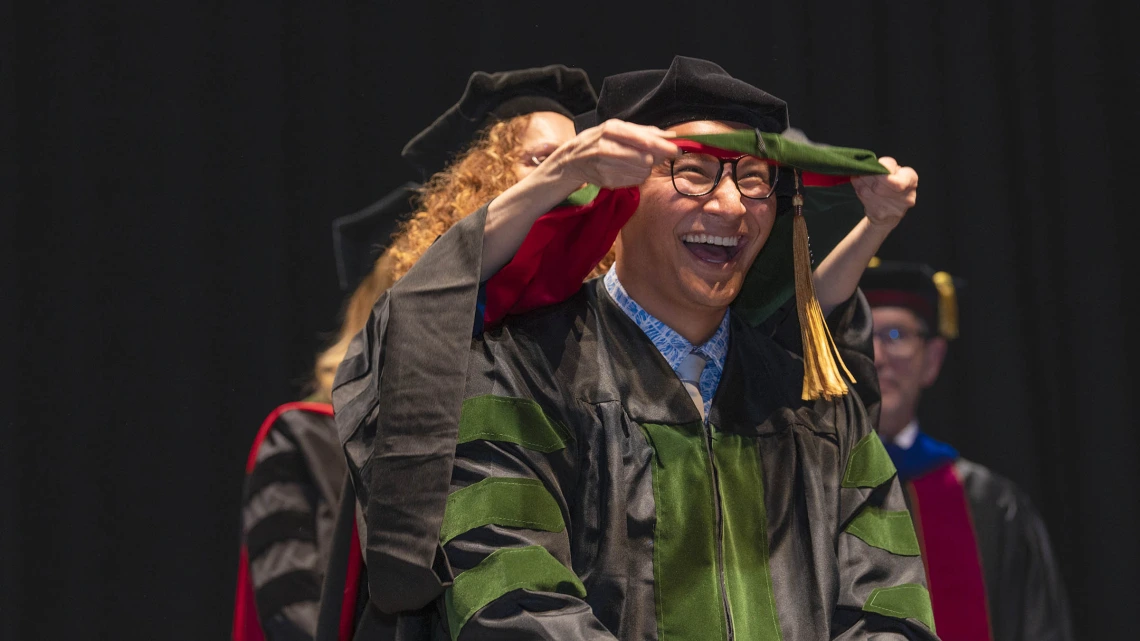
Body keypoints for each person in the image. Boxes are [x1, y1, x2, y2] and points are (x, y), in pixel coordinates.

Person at [334, 56, 935, 640]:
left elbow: (890, 605)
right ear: (617, 194)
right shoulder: (522, 374)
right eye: (693, 170)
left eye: (753, 178)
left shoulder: (815, 405)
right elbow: (511, 598)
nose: (731, 207)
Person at [862, 260, 1074, 641]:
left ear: (933, 358)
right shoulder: (812, 492)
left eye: (896, 335)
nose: (878, 357)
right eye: (860, 336)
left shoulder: (990, 503)